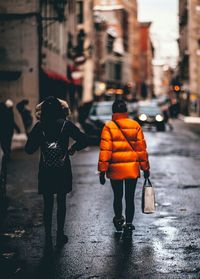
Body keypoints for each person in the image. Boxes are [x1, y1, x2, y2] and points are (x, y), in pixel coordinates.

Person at [25, 96, 87, 253]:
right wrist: (73, 148)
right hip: (62, 169)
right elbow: (83, 139)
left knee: (47, 204)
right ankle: (60, 235)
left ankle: (48, 238)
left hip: (46, 170)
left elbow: (29, 149)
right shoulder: (66, 125)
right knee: (61, 202)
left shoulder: (40, 126)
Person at [98, 99, 150, 239]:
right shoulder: (135, 125)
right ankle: (129, 223)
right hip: (132, 169)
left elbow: (105, 151)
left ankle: (118, 219)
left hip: (115, 169)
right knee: (129, 197)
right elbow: (141, 150)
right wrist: (145, 168)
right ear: (126, 111)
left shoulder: (109, 127)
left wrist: (102, 171)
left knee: (117, 196)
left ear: (113, 111)